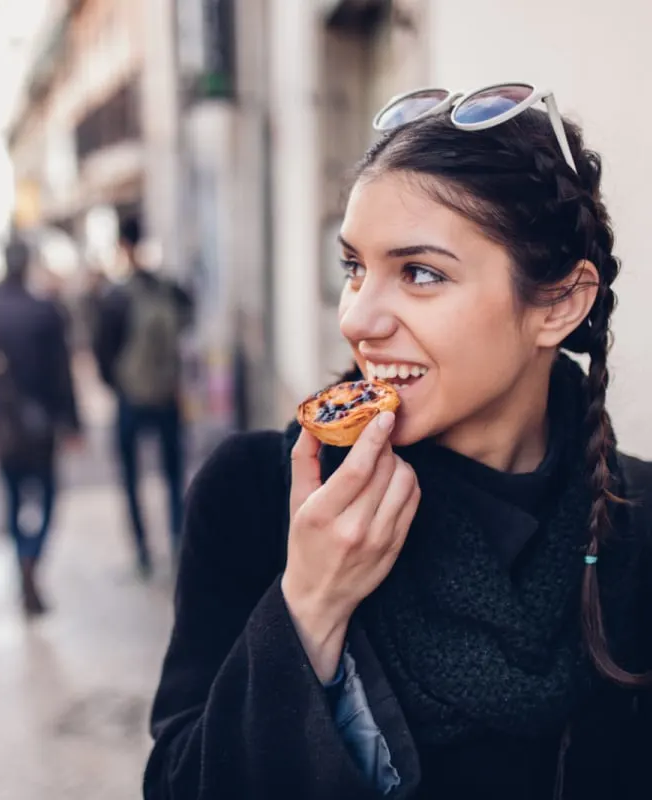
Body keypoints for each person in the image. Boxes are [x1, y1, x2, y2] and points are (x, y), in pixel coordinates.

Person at [144, 86, 652, 800]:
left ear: (560, 304)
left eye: (419, 273)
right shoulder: (257, 496)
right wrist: (308, 608)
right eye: (354, 267)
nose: (359, 318)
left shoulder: (635, 525)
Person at [0, 236, 81, 615]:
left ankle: (22, 560)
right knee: (46, 498)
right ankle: (32, 558)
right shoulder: (45, 311)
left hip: (0, 427)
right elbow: (62, 373)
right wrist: (73, 422)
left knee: (12, 499)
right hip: (39, 424)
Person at [93, 217, 193, 577]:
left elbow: (101, 352)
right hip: (167, 395)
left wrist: (117, 384)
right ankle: (179, 541)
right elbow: (188, 317)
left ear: (122, 246)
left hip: (131, 399)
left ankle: (142, 552)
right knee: (173, 474)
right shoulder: (167, 289)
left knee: (131, 477)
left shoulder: (115, 297)